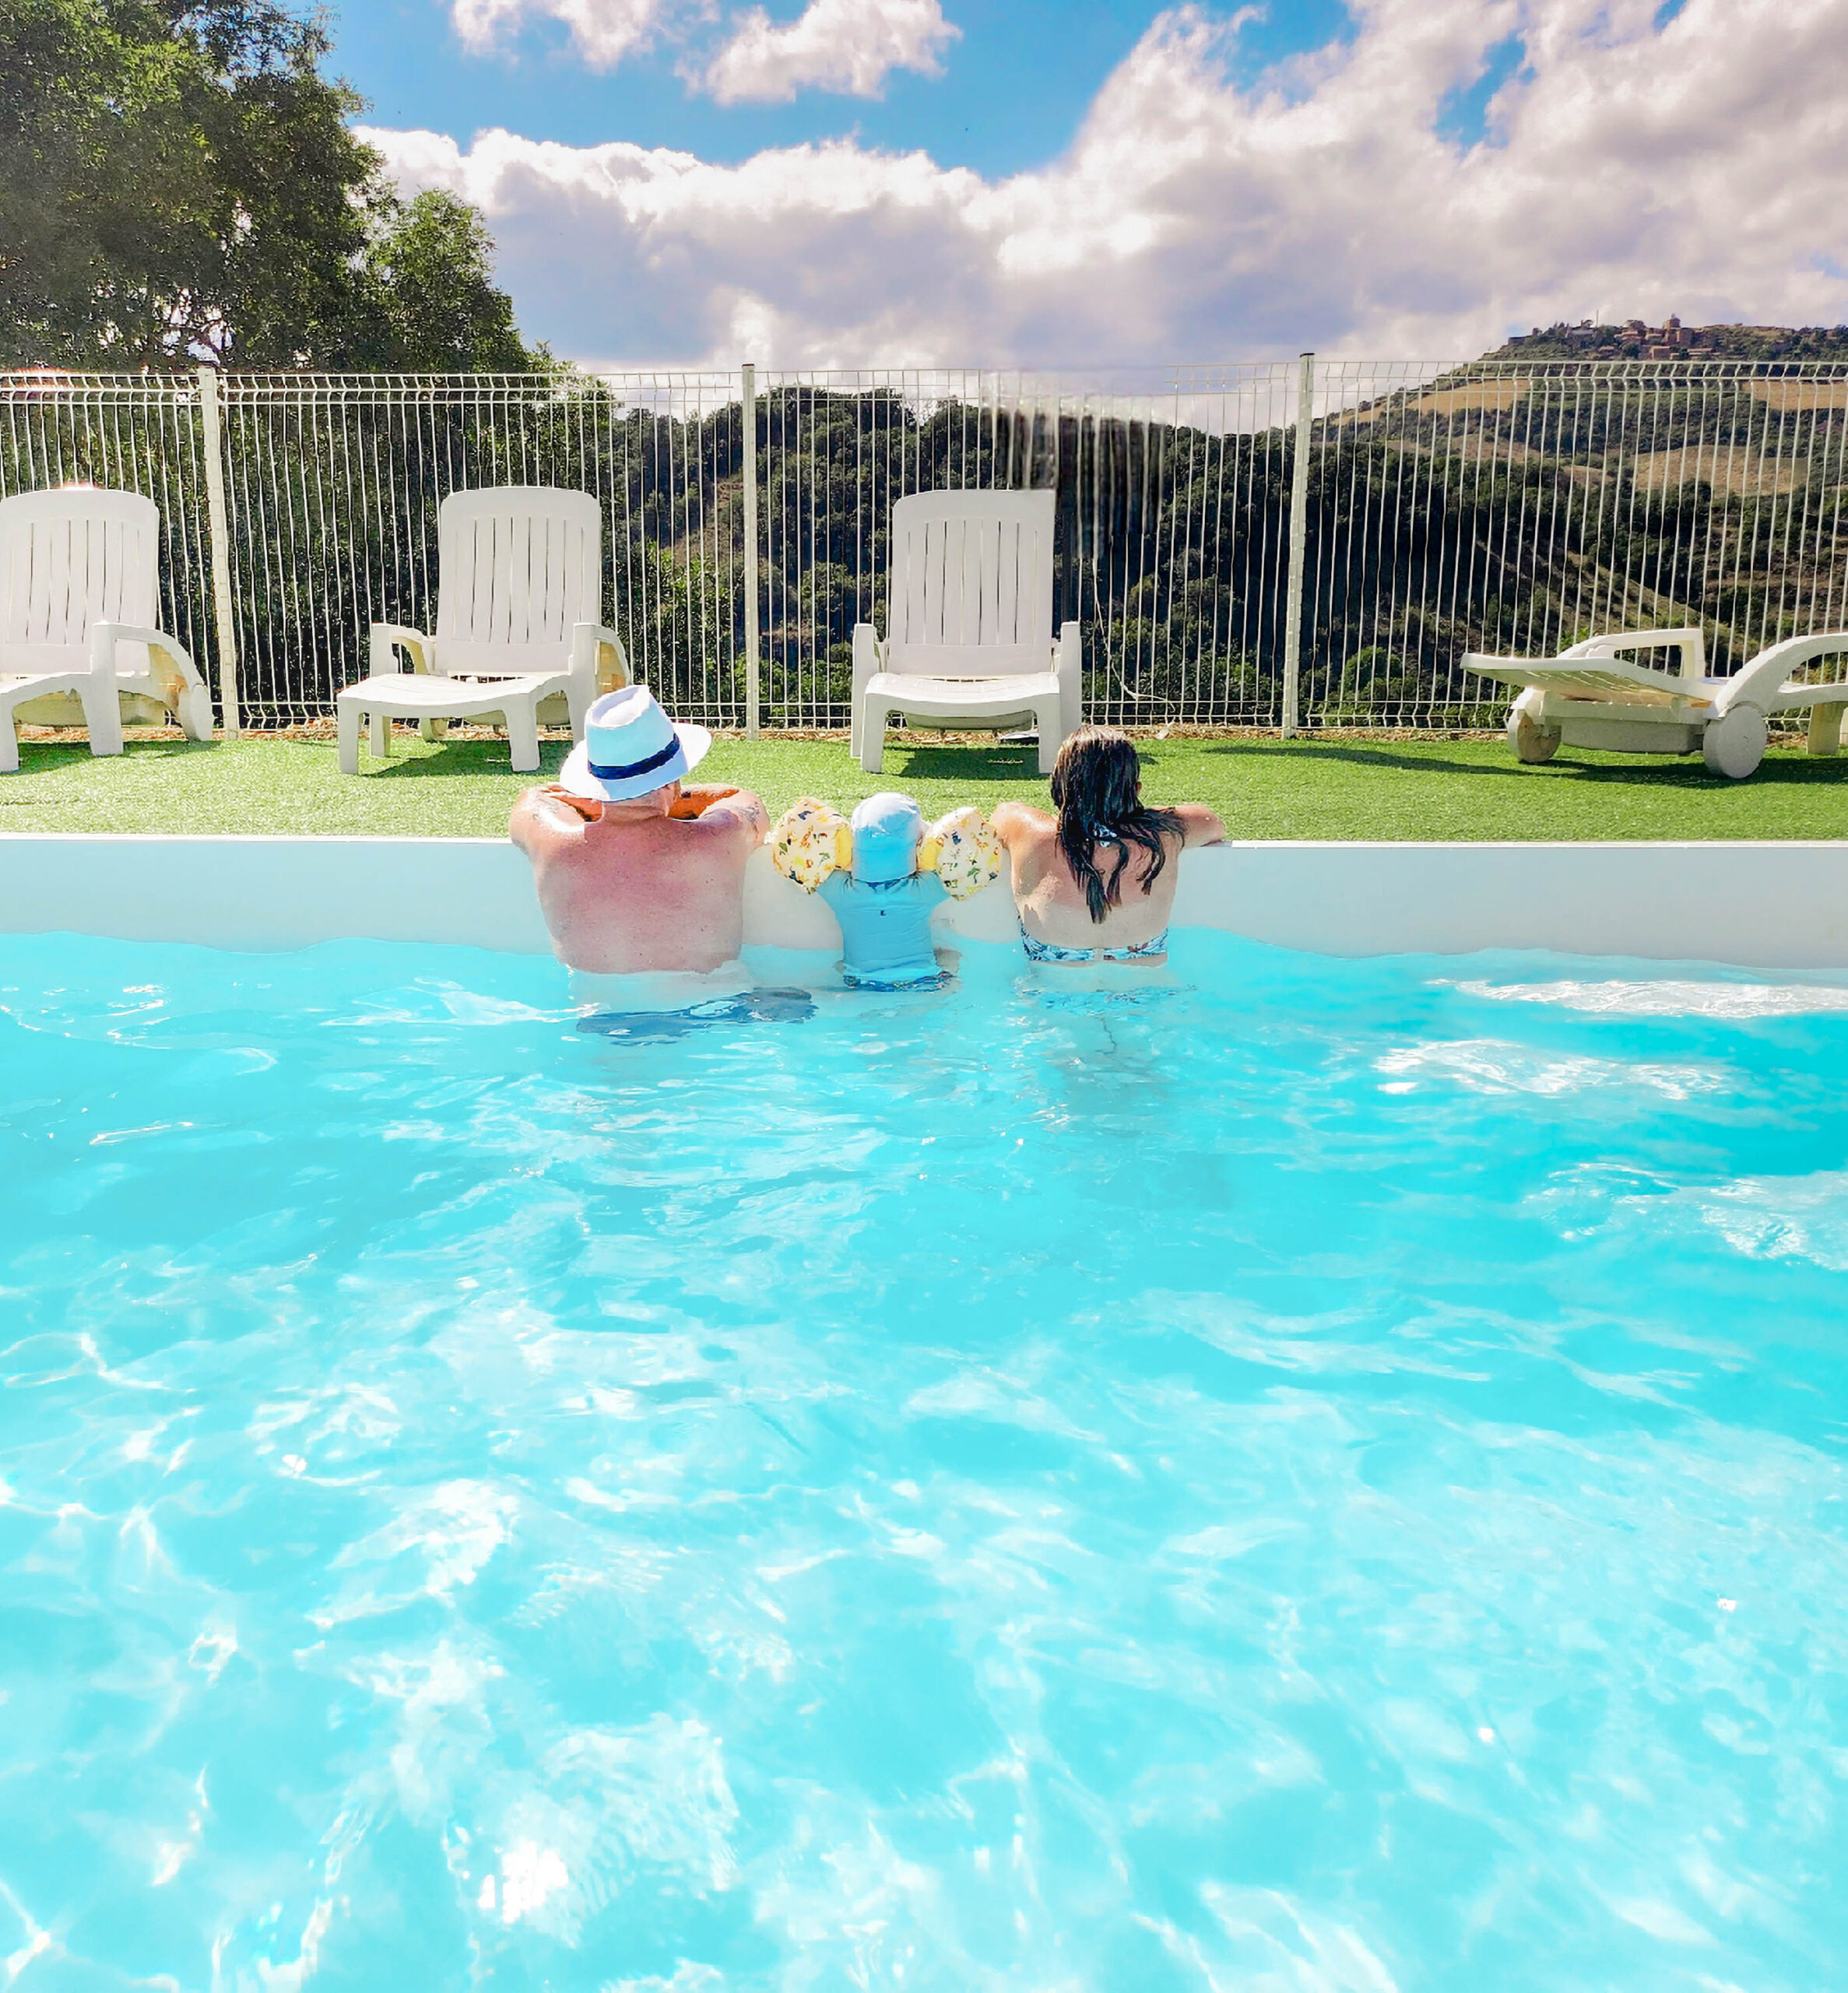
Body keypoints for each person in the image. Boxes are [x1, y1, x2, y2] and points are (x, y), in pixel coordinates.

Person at [509, 684, 770, 976]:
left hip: (594, 1006)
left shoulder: (550, 842)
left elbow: (533, 799)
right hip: (714, 1003)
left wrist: (603, 801)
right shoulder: (722, 837)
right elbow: (741, 798)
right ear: (672, 783)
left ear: (595, 786)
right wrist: (667, 798)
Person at [992, 726, 1224, 965]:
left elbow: (1000, 815)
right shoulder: (1166, 834)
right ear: (1136, 789)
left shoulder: (1030, 834)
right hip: (1147, 986)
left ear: (1058, 787)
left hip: (1049, 987)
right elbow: (1214, 824)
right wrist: (1147, 818)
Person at [817, 792, 952, 990]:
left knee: (840, 965)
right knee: (950, 956)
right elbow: (957, 871)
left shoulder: (841, 893)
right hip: (922, 982)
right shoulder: (924, 890)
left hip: (861, 984)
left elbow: (811, 868)